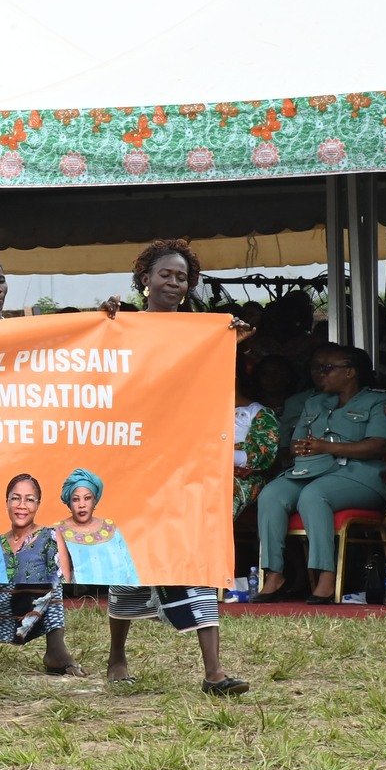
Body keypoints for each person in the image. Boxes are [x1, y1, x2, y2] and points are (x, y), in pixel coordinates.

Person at [100, 239, 248, 696]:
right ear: (145, 278)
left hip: (183, 464)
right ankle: (116, 655)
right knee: (130, 565)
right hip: (133, 464)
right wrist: (103, 322)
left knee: (193, 556)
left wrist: (230, 339)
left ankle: (214, 673)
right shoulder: (119, 325)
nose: (174, 283)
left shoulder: (200, 332)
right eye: (165, 274)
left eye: (182, 277)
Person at [252, 344, 386, 603]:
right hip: (311, 470)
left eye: (327, 369)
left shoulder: (378, 401)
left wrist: (326, 447)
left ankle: (326, 577)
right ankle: (274, 574)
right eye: (316, 368)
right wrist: (300, 447)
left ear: (350, 372)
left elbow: (379, 445)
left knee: (314, 496)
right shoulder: (314, 402)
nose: (319, 374)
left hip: (357, 476)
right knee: (271, 494)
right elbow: (296, 444)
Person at [0, 473, 83, 675]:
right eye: (16, 498)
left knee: (54, 583)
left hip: (35, 607)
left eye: (29, 499)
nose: (21, 505)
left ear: (38, 504)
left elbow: (64, 580)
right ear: (7, 502)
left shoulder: (50, 537)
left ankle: (56, 649)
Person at [56, 468, 139, 585]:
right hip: (79, 599)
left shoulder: (110, 529)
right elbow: (57, 577)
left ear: (95, 500)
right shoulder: (57, 531)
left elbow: (131, 570)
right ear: (69, 503)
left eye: (87, 498)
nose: (82, 505)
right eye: (75, 499)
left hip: (118, 597)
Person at [232, 366, 280, 519]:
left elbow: (262, 454)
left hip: (242, 477)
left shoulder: (257, 412)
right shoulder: (201, 412)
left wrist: (223, 456)